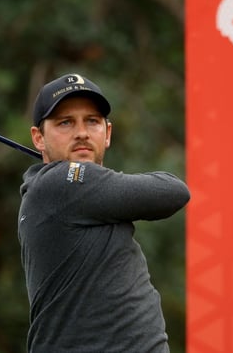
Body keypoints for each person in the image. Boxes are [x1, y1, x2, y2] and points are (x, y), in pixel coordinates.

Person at [18, 72, 190, 352]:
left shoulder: (55, 190)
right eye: (65, 123)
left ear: (107, 133)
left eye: (92, 121)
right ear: (38, 138)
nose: (82, 132)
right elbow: (172, 191)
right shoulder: (58, 184)